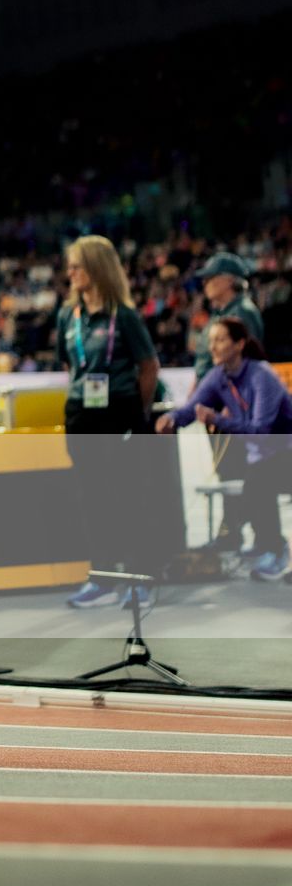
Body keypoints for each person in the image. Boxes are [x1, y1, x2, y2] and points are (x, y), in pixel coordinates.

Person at [55, 235, 160, 611]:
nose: (70, 273)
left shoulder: (125, 317)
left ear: (97, 268)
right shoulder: (68, 315)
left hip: (120, 413)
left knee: (128, 498)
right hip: (81, 416)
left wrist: (138, 413)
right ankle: (102, 578)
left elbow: (148, 367)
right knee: (92, 500)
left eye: (76, 265)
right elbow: (70, 365)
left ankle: (140, 578)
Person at [158, 317, 292, 581]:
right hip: (263, 456)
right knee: (254, 488)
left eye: (220, 340)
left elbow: (260, 430)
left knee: (257, 484)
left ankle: (275, 550)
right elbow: (192, 408)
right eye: (211, 341)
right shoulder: (219, 376)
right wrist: (172, 419)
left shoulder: (261, 375)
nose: (213, 347)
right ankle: (272, 548)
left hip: (284, 450)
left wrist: (217, 419)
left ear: (239, 344)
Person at [191, 252, 264, 380]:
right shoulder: (218, 313)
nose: (204, 283)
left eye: (210, 277)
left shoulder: (243, 311)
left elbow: (245, 364)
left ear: (228, 280)